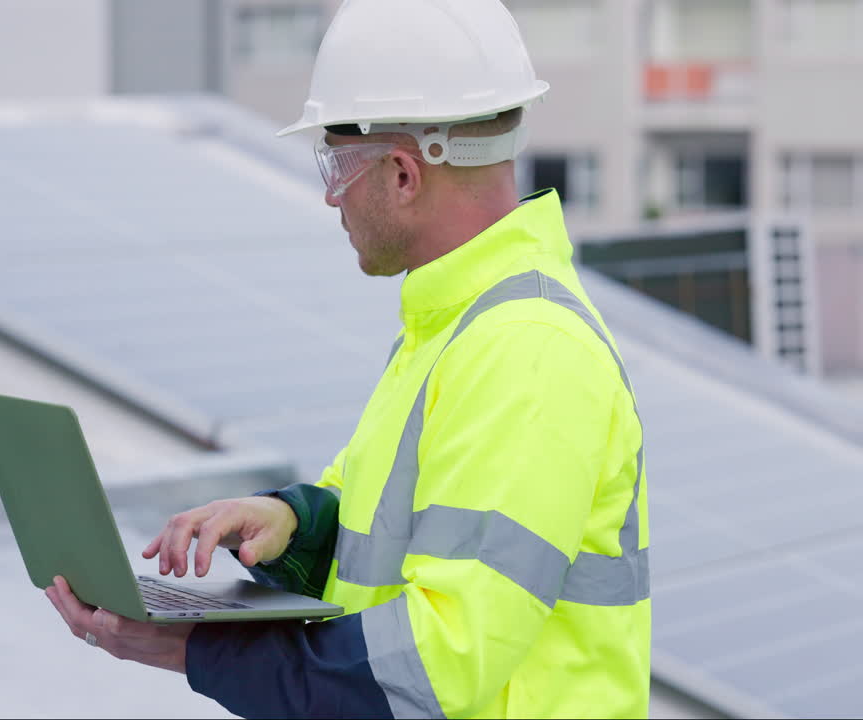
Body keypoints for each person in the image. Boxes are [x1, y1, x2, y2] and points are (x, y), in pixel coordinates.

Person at [44, 0, 650, 717]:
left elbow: (437, 660)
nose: (331, 195)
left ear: (403, 174)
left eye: (336, 163)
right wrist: (291, 524)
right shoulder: (459, 328)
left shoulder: (526, 352)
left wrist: (191, 647)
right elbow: (396, 541)